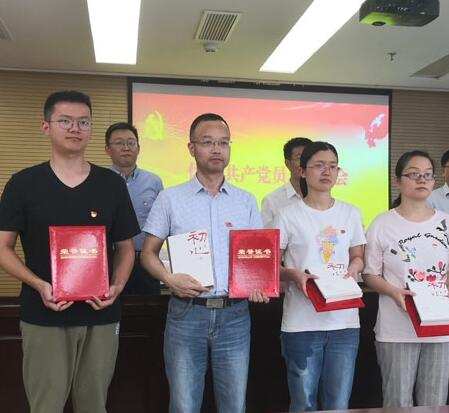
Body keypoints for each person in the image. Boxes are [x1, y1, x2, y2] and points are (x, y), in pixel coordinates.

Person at [0, 90, 139, 413]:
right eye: (65, 121)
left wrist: (117, 286)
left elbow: (126, 248)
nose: (75, 128)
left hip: (101, 314)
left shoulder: (111, 185)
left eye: (83, 122)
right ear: (46, 127)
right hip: (43, 313)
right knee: (46, 405)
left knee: (94, 404)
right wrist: (39, 285)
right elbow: (3, 247)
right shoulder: (23, 183)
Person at [140, 113, 270, 413]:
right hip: (187, 313)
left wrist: (259, 284)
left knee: (234, 405)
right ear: (191, 148)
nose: (216, 149)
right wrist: (169, 279)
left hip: (235, 315)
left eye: (223, 143)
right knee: (184, 405)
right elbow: (147, 254)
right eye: (208, 142)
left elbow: (258, 257)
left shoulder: (246, 200)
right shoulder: (170, 198)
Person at [363, 150, 449, 407]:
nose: (422, 180)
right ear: (398, 181)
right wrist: (393, 292)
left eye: (428, 175)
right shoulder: (383, 223)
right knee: (397, 402)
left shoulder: (446, 221)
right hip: (397, 327)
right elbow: (369, 274)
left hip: (441, 324)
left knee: (435, 402)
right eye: (414, 174)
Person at [276, 141, 366, 411]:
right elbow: (271, 266)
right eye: (319, 165)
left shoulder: (351, 213)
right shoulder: (287, 215)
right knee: (303, 402)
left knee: (338, 403)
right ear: (302, 171)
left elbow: (358, 256)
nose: (327, 172)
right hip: (301, 323)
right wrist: (293, 274)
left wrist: (355, 266)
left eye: (333, 166)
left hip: (344, 323)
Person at [105, 122, 163, 294]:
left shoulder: (154, 181)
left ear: (138, 148)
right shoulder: (99, 181)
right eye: (119, 143)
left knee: (149, 308)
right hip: (110, 261)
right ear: (107, 149)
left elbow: (163, 222)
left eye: (131, 142)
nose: (126, 147)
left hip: (145, 262)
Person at [261, 137, 313, 228]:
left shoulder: (323, 198)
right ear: (287, 163)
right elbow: (266, 235)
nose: (305, 163)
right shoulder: (272, 201)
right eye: (300, 158)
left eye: (309, 158)